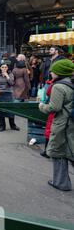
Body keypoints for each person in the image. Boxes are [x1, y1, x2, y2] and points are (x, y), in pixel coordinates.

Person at [39, 59, 74, 191]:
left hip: (62, 124)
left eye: (53, 70)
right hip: (70, 123)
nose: (51, 72)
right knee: (69, 151)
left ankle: (61, 182)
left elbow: (54, 107)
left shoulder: (59, 87)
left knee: (58, 153)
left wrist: (42, 106)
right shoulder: (71, 83)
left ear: (59, 72)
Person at [0, 64, 19, 132]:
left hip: (8, 93)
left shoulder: (10, 75)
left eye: (5, 67)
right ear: (0, 68)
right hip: (0, 94)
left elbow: (12, 83)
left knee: (11, 111)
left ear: (7, 68)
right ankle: (2, 126)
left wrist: (7, 76)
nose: (4, 68)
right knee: (0, 111)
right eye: (2, 67)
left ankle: (13, 125)